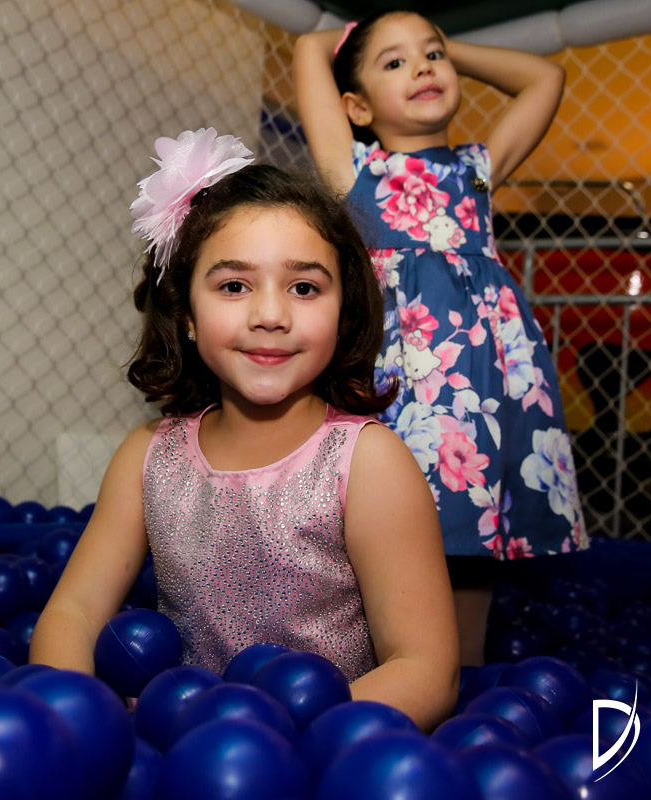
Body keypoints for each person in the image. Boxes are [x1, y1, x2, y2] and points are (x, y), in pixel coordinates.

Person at [30, 128, 459, 730]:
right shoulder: (148, 457)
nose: (270, 315)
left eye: (304, 287)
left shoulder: (368, 462)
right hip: (174, 744)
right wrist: (78, 722)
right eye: (234, 285)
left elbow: (426, 668)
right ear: (185, 313)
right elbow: (72, 614)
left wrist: (280, 742)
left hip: (319, 752)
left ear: (344, 313)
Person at [294, 12, 588, 667]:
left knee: (469, 529)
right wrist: (350, 31)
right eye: (394, 62)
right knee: (380, 522)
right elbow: (310, 48)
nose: (424, 67)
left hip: (477, 385)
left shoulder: (477, 170)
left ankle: (460, 675)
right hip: (396, 378)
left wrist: (448, 47)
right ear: (357, 107)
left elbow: (545, 77)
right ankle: (377, 666)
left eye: (432, 55)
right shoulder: (353, 169)